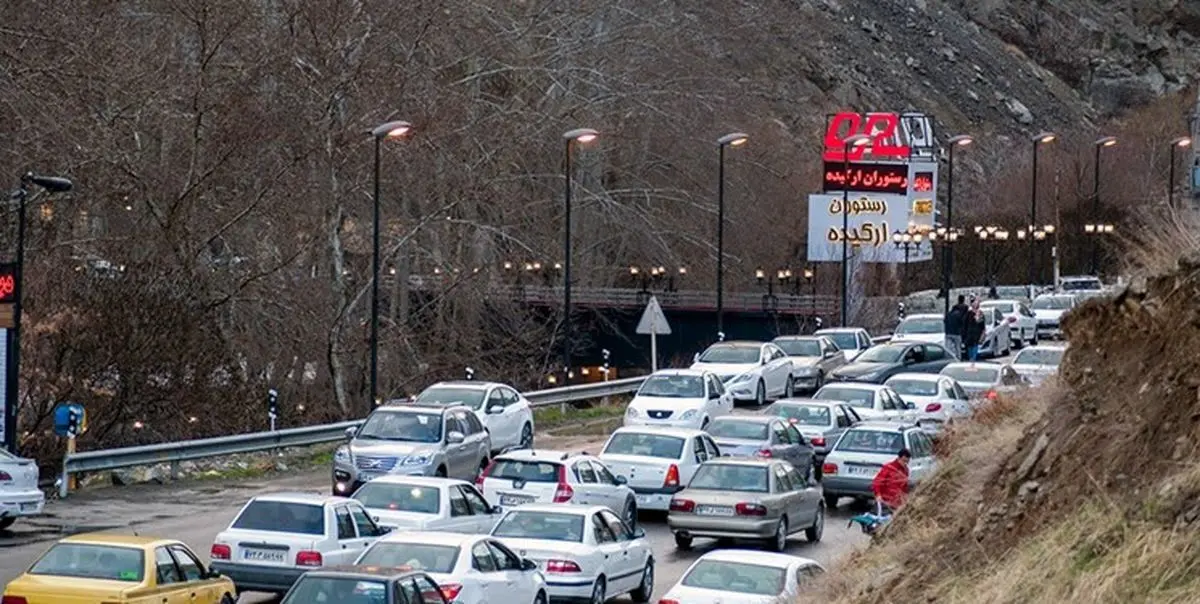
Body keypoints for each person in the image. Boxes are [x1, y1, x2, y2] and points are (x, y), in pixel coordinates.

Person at [871, 448, 911, 514]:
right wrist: (878, 495)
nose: (905, 464)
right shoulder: (889, 468)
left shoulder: (905, 470)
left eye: (907, 462)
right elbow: (877, 482)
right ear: (899, 458)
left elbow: (904, 487)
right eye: (904, 461)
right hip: (886, 501)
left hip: (897, 503)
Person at [944, 295, 968, 359]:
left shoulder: (948, 314)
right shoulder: (965, 308)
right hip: (957, 333)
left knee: (948, 347)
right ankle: (958, 358)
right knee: (958, 347)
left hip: (949, 332)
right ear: (963, 299)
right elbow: (963, 321)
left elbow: (945, 321)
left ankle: (949, 358)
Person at [963, 297, 986, 361]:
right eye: (974, 303)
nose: (975, 304)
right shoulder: (968, 313)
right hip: (969, 335)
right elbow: (965, 324)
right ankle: (971, 359)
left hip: (976, 335)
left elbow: (982, 325)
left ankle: (973, 359)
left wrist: (982, 334)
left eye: (977, 303)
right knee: (970, 349)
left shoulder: (980, 313)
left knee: (974, 349)